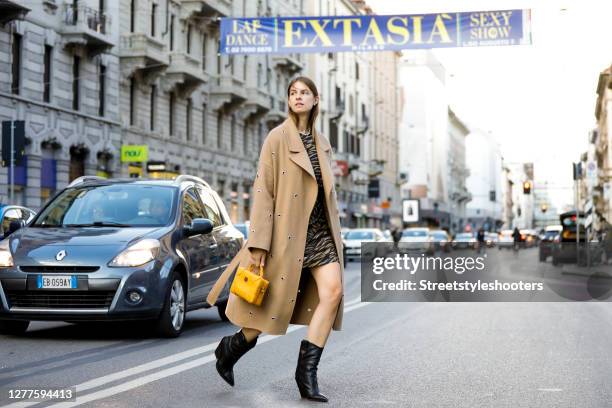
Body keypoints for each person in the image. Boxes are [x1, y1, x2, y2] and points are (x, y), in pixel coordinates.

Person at [206, 76, 343, 403]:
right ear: (288, 100)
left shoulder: (323, 142)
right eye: (293, 93)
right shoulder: (277, 138)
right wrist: (258, 244)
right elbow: (263, 192)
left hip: (321, 235)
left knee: (333, 293)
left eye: (304, 92)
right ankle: (231, 348)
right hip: (287, 236)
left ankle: (306, 373)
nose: (298, 97)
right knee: (269, 310)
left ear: (315, 99)